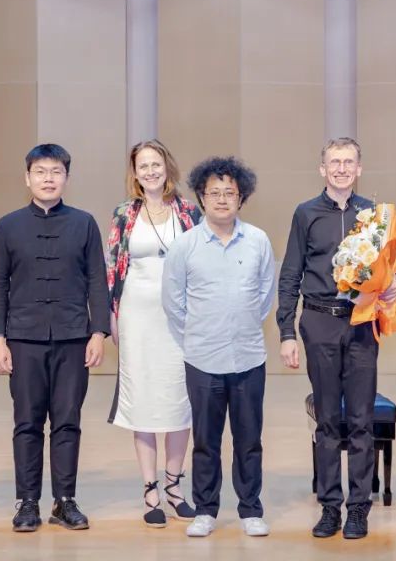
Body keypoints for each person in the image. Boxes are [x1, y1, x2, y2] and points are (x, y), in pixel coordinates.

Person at [277, 138, 396, 540]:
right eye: (334, 162)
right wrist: (286, 332)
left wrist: (394, 282)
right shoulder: (305, 213)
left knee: (361, 420)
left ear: (359, 168)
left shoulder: (374, 216)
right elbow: (290, 274)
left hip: (361, 323)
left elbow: (394, 267)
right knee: (328, 420)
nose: (341, 168)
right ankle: (329, 507)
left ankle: (359, 508)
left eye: (348, 162)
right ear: (322, 169)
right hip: (319, 322)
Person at [0, 144, 110, 532]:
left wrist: (98, 332)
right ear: (27, 178)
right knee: (27, 422)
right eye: (40, 172)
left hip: (73, 336)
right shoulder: (7, 226)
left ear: (66, 178)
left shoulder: (84, 223)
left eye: (56, 171)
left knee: (67, 421)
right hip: (23, 338)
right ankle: (27, 501)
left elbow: (97, 280)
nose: (48, 179)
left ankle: (64, 500)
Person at [162, 156, 275, 539]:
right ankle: (206, 510)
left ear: (242, 197)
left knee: (249, 440)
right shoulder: (185, 245)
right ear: (201, 197)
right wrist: (198, 336)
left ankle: (250, 509)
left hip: (248, 357)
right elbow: (173, 303)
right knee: (206, 442)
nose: (222, 199)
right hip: (202, 359)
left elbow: (264, 296)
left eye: (230, 192)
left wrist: (240, 324)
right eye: (214, 193)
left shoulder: (258, 241)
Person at [105, 140, 202, 526]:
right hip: (136, 317)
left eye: (155, 164)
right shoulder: (124, 214)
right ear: (135, 172)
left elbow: (202, 262)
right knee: (143, 401)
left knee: (180, 400)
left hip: (181, 319)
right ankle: (150, 490)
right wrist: (112, 315)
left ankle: (175, 486)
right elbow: (112, 267)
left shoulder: (189, 211)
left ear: (167, 166)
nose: (150, 171)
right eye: (143, 166)